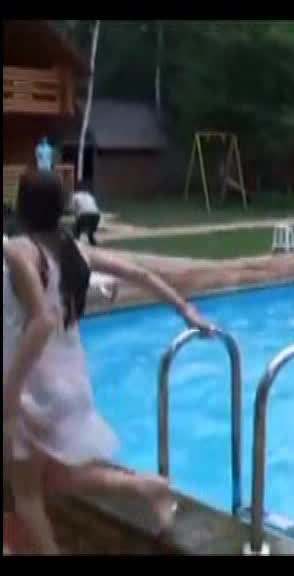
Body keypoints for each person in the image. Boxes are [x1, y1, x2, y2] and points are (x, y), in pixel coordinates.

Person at [3, 171, 213, 554]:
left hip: (32, 390)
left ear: (22, 206)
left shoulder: (20, 251)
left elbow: (42, 321)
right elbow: (140, 274)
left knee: (28, 495)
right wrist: (186, 309)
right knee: (49, 481)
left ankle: (144, 490)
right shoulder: (73, 251)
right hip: (69, 385)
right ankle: (147, 487)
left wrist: (10, 394)